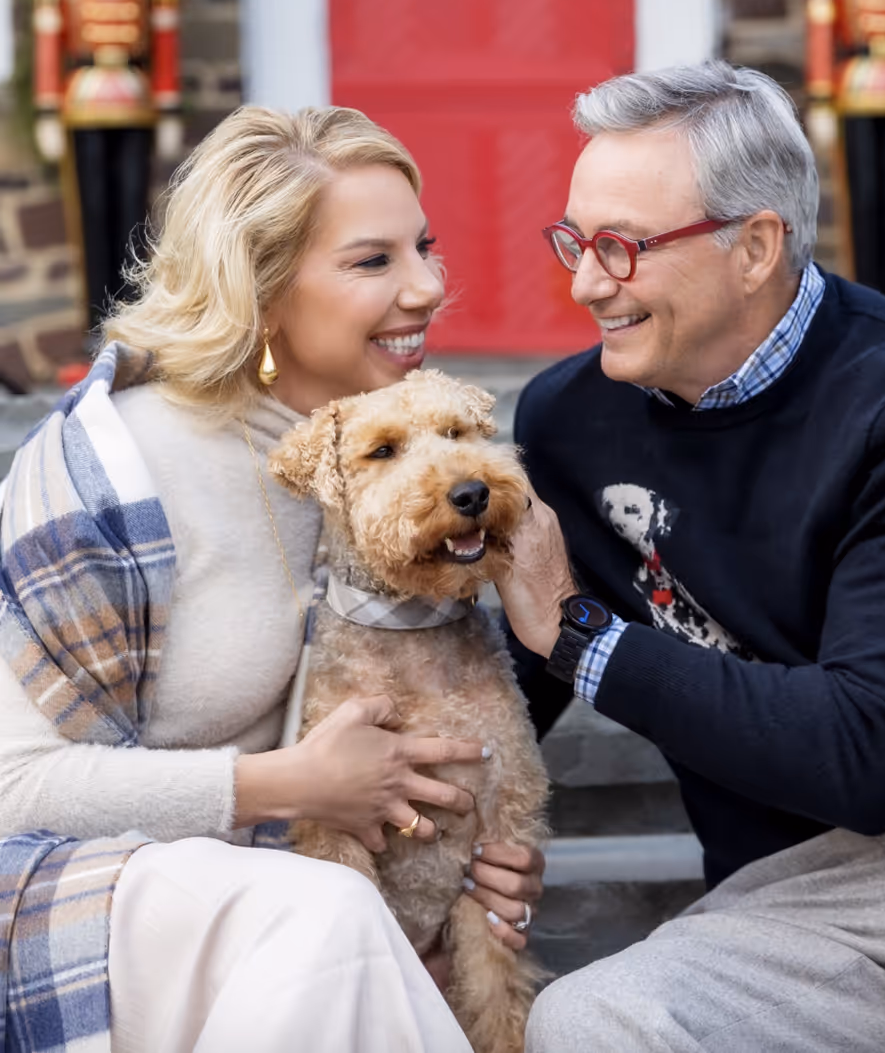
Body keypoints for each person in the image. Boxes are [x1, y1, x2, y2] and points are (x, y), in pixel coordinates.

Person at [0, 105, 543, 1053]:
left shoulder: (390, 458)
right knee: (326, 916)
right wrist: (284, 784)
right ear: (260, 285)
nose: (427, 288)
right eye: (374, 262)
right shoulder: (107, 468)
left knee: (346, 924)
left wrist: (464, 874)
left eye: (426, 247)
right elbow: (14, 789)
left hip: (294, 913)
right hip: (99, 896)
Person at [497, 62, 885, 1052]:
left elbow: (865, 756)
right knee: (590, 1019)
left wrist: (587, 638)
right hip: (789, 905)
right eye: (573, 240)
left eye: (621, 247)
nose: (584, 282)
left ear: (756, 246)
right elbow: (512, 685)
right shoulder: (568, 419)